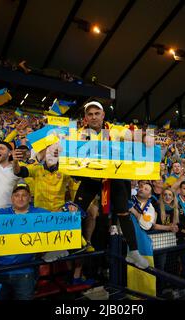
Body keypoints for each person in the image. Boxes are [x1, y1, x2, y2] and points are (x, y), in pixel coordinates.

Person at [72, 100, 149, 269]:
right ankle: (68, 245)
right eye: (90, 114)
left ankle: (134, 252)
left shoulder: (114, 129)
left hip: (113, 179)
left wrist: (144, 138)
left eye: (97, 113)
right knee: (74, 211)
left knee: (123, 212)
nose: (93, 117)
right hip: (90, 180)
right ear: (85, 117)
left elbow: (132, 133)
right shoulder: (78, 134)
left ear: (103, 115)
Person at [0, 182, 50, 300]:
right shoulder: (2, 213)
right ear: (12, 198)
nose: (20, 198)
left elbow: (60, 217)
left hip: (25, 271)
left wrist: (70, 207)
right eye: (17, 195)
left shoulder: (39, 213)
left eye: (24, 195)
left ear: (30, 198)